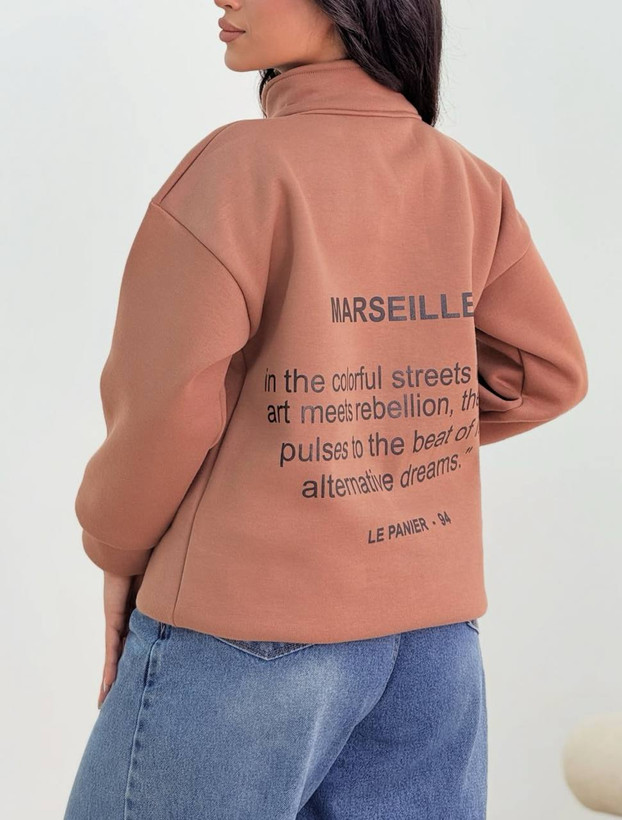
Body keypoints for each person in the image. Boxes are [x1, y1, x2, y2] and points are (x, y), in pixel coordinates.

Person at [63, 0, 589, 818]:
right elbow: (547, 373)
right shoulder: (468, 180)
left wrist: (115, 547)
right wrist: (380, 429)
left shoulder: (239, 170)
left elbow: (168, 410)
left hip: (247, 631)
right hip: (435, 648)